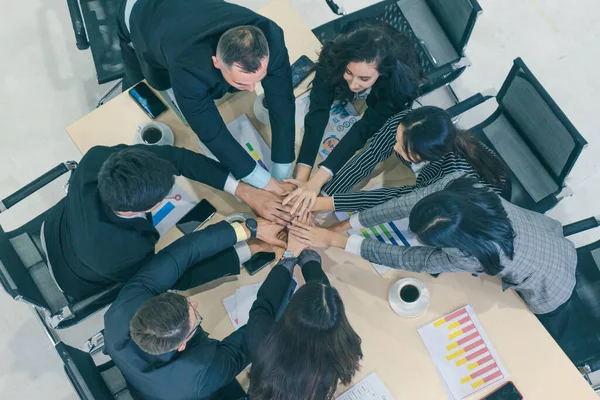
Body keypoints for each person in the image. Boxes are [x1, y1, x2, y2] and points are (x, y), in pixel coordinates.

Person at [290, 174, 578, 340]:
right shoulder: (458, 187)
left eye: (423, 239)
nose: (415, 239)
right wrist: (348, 225)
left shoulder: (473, 252)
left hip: (551, 285)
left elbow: (412, 260)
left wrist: (335, 241)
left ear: (455, 242)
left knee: (538, 330)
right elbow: (404, 204)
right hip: (548, 234)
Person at [42, 144, 289, 300]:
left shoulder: (100, 159)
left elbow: (177, 159)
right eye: (163, 197)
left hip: (55, 224)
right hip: (75, 276)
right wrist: (252, 246)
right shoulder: (125, 252)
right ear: (142, 208)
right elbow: (176, 274)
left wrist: (244, 191)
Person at [117, 0, 295, 193]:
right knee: (145, 81)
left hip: (191, 13)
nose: (252, 89)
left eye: (258, 79)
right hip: (142, 12)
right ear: (216, 62)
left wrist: (282, 173)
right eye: (242, 83)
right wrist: (264, 182)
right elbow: (212, 132)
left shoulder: (271, 37)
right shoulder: (188, 68)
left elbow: (282, 101)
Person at [104, 216, 284, 400]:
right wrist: (284, 265)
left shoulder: (122, 311)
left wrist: (248, 230)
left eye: (185, 301)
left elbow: (182, 253)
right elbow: (257, 332)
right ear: (181, 345)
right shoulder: (203, 374)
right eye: (196, 316)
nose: (194, 303)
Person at [284, 25, 423, 214]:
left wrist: (317, 181)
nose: (354, 84)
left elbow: (363, 130)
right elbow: (318, 110)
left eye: (364, 79)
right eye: (349, 73)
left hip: (395, 80)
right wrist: (302, 176)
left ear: (381, 73)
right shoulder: (334, 55)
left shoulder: (398, 86)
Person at [306, 106, 507, 213]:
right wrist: (324, 192)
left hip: (477, 202)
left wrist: (325, 204)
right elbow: (370, 155)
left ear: (427, 157)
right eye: (397, 140)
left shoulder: (447, 176)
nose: (394, 148)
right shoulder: (410, 122)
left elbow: (395, 198)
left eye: (403, 150)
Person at [245, 236, 362, 399]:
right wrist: (311, 263)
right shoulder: (343, 351)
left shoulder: (262, 340)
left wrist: (288, 259)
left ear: (289, 313)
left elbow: (264, 303)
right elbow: (323, 310)